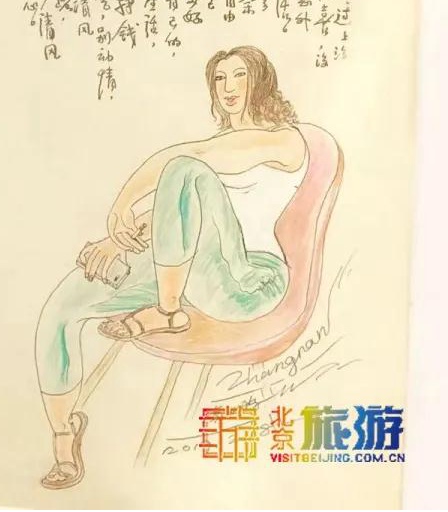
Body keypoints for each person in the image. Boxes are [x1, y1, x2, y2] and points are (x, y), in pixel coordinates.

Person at [35, 45, 307, 489]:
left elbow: (191, 160)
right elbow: (176, 211)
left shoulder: (286, 140)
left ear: (262, 81)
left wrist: (123, 201)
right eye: (219, 78)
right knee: (60, 309)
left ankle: (166, 311)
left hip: (248, 280)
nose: (228, 87)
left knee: (184, 169)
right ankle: (65, 437)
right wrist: (117, 240)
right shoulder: (208, 161)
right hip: (188, 272)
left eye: (239, 75)